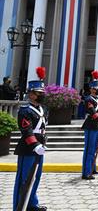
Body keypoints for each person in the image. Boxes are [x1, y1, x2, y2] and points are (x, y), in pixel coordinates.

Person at [13, 67, 47, 211]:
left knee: (35, 177)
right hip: (28, 147)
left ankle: (32, 203)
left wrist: (41, 144)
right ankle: (19, 206)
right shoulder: (25, 110)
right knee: (24, 178)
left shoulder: (41, 109)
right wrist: (35, 145)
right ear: (31, 95)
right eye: (39, 93)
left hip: (39, 146)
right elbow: (26, 130)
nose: (41, 95)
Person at [81, 70, 98, 180]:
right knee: (89, 149)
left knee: (94, 148)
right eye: (95, 88)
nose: (97, 89)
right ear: (91, 89)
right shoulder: (88, 99)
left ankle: (93, 168)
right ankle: (86, 172)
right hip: (90, 125)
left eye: (97, 88)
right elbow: (92, 112)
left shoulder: (97, 99)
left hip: (97, 125)